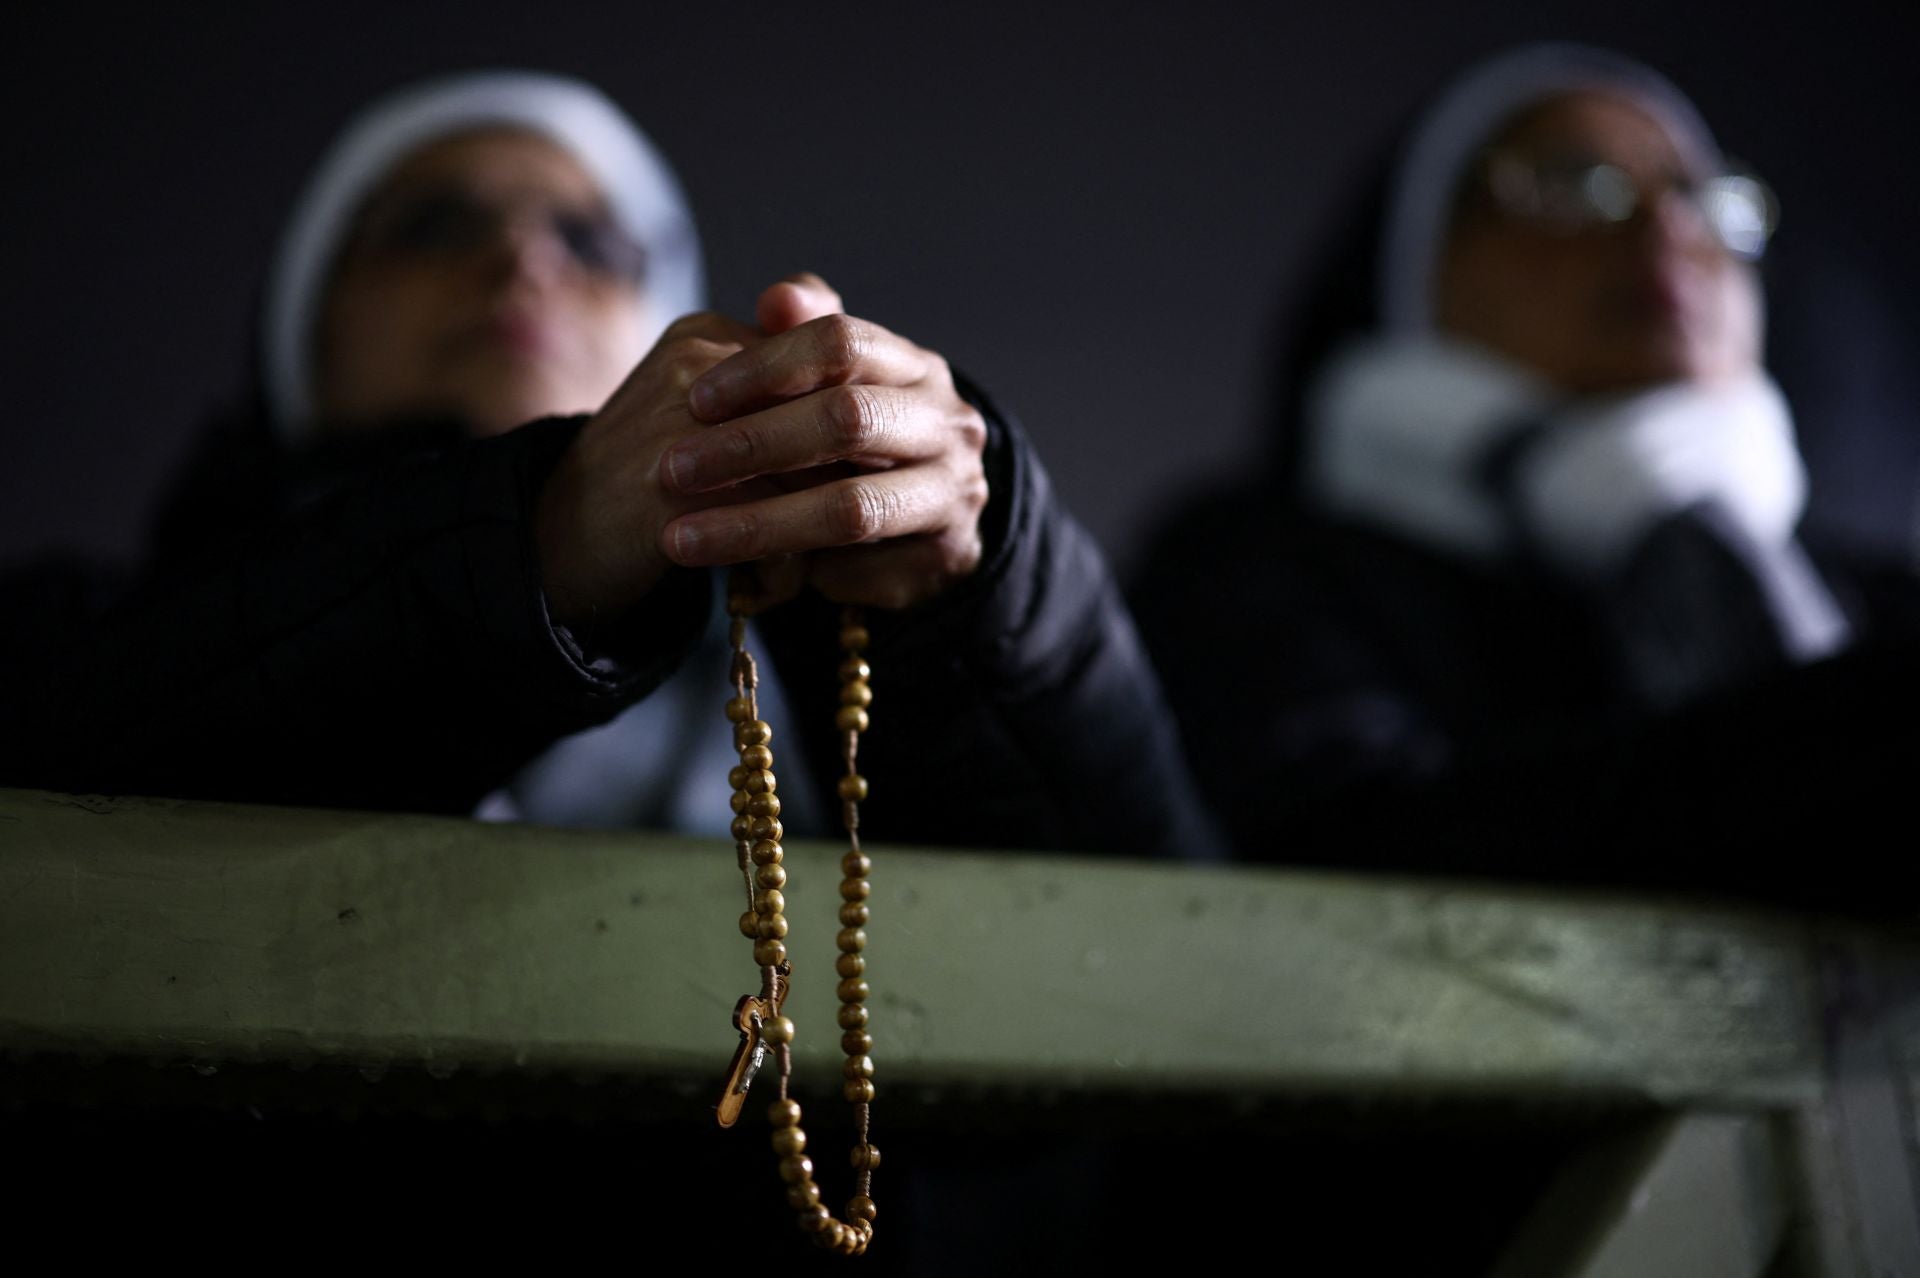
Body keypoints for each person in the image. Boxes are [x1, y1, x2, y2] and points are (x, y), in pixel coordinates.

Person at [1, 70, 1215, 862]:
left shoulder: (807, 669)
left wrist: (981, 588)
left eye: (591, 239)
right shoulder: (78, 637)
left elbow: (1162, 937)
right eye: (435, 226)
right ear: (300, 325)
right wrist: (527, 542)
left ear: (665, 315)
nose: (523, 260)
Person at [1131, 44, 1920, 903]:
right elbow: (1349, 859)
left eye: (1702, 198)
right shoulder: (1254, 571)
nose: (1665, 228)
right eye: (1574, 184)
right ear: (1414, 261)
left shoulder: (1876, 602)